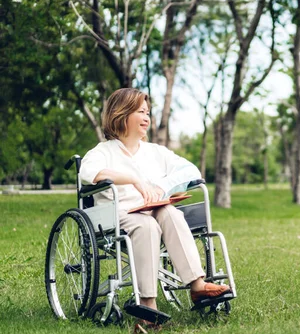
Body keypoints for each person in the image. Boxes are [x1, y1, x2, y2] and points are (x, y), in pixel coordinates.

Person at [80, 88, 230, 320]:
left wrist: (162, 187)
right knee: (146, 225)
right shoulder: (102, 152)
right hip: (119, 215)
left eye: (148, 112)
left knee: (169, 212)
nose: (148, 118)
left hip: (153, 210)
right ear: (122, 114)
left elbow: (191, 170)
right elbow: (90, 173)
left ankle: (198, 286)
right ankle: (148, 303)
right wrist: (133, 179)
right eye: (141, 112)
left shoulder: (156, 152)